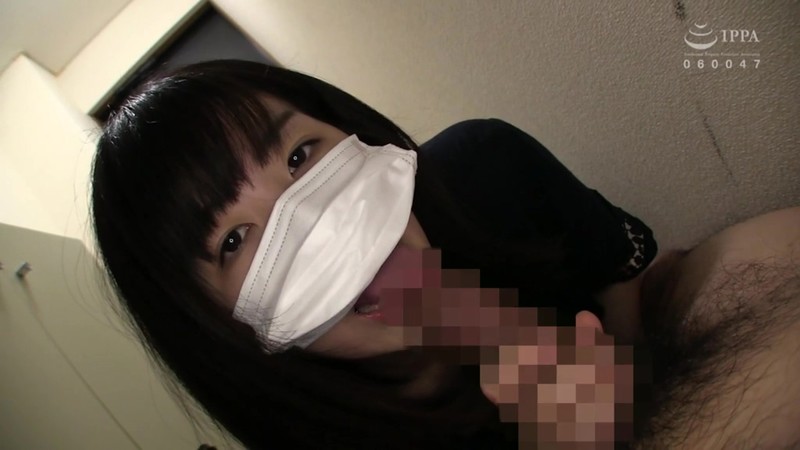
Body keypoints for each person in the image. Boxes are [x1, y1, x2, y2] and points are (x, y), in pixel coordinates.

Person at [90, 59, 656, 449]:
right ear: (212, 323)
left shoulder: (486, 168)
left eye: (299, 156)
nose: (315, 221)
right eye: (234, 241)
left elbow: (618, 271)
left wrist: (630, 381)